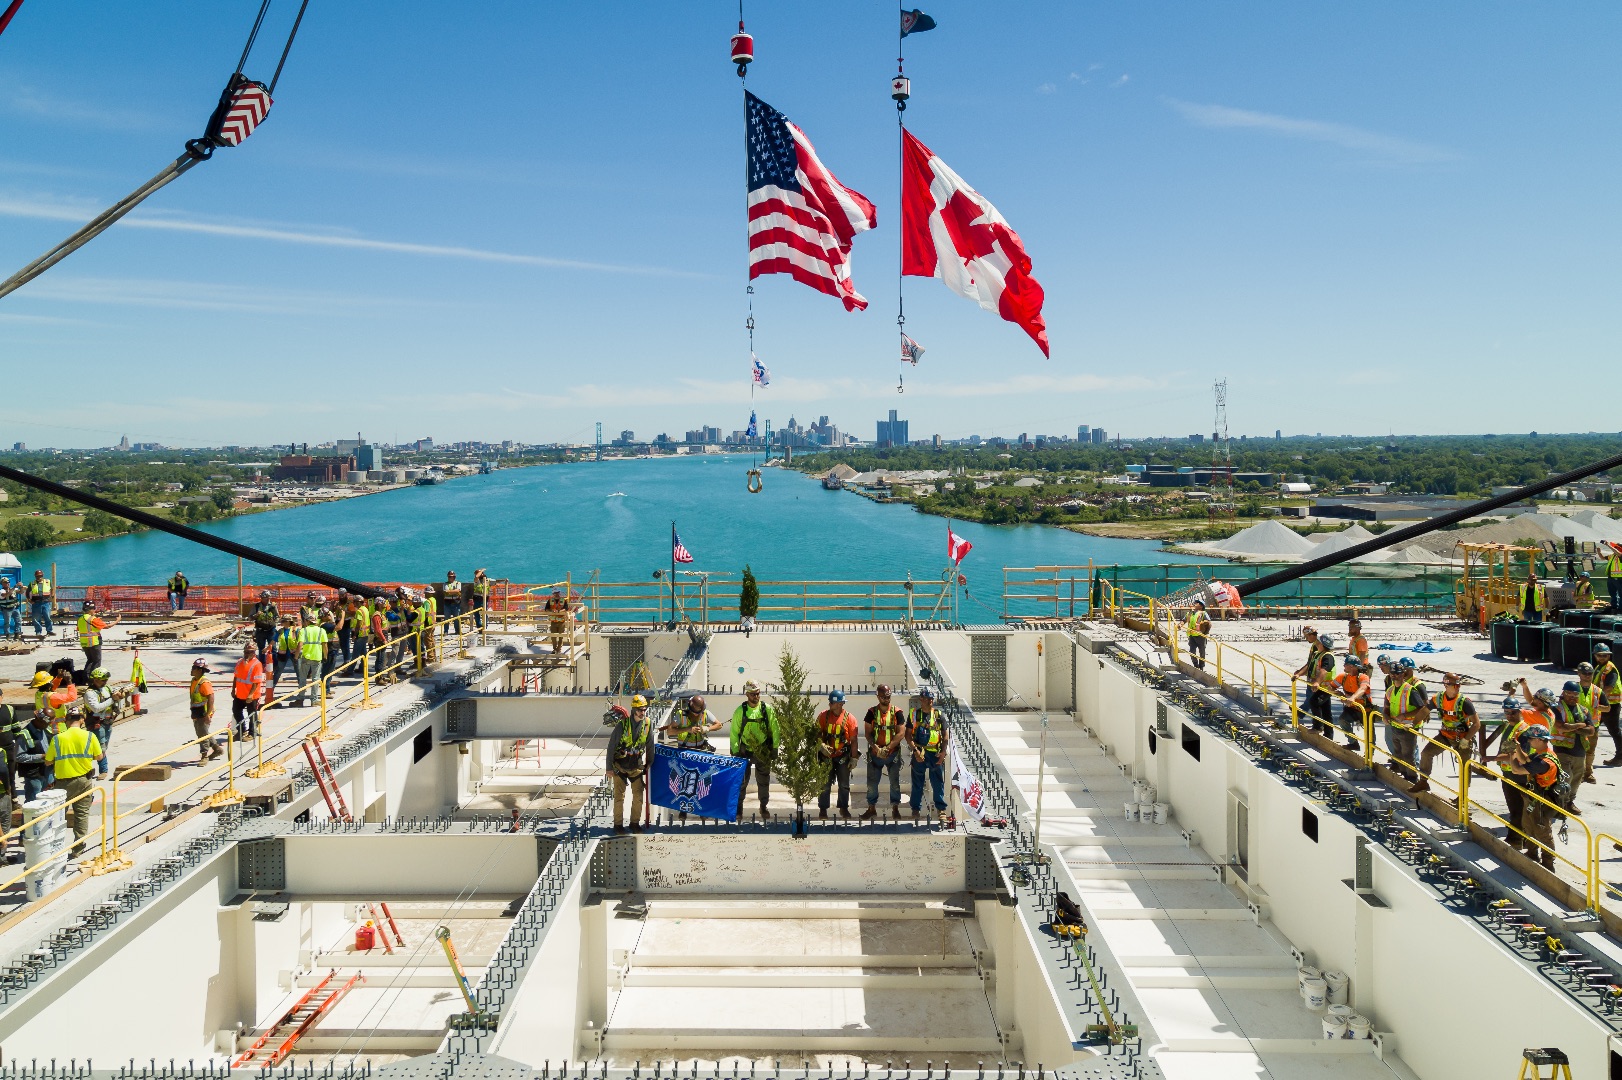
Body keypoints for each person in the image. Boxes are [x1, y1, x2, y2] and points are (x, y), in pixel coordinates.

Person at [1503, 723, 1565, 870]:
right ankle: (1532, 853)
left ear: (1540, 740)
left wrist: (1511, 754)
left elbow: (1517, 770)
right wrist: (1517, 747)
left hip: (1543, 799)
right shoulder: (1541, 754)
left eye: (1531, 739)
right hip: (1534, 797)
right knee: (1528, 825)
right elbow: (1525, 760)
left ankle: (1548, 862)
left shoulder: (1544, 761)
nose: (1529, 741)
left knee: (1542, 830)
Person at [45, 707, 100, 859]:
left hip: (63, 784)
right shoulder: (89, 736)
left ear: (67, 721)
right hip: (84, 781)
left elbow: (48, 761)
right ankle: (78, 848)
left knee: (59, 816)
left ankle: (56, 848)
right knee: (81, 815)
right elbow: (99, 756)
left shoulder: (58, 738)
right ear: (82, 720)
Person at [1412, 672, 1478, 794]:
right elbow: (1424, 711)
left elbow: (1476, 724)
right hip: (1445, 735)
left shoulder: (1464, 702)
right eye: (1455, 685)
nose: (1457, 688)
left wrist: (1467, 739)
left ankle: (1463, 797)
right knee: (1426, 753)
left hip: (1461, 738)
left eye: (1458, 685)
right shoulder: (1438, 698)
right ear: (1446, 685)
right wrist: (1413, 723)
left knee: (1464, 766)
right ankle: (1423, 782)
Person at [729, 679, 780, 819]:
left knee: (763, 781)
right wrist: (735, 751)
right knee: (742, 781)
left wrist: (775, 748)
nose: (756, 697)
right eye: (753, 694)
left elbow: (775, 729)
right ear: (747, 694)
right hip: (745, 751)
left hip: (762, 751)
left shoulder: (766, 709)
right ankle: (739, 808)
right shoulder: (741, 711)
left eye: (757, 693)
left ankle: (763, 807)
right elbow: (734, 733)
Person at [1546, 680, 1594, 812]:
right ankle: (1560, 803)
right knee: (1565, 777)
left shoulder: (1583, 710)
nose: (1572, 697)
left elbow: (1591, 730)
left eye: (1575, 695)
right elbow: (1561, 727)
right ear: (1563, 693)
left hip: (1579, 750)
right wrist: (1580, 725)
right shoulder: (1556, 708)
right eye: (1569, 694)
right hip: (1562, 749)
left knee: (1577, 778)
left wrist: (1573, 728)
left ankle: (1569, 802)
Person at [607, 696, 653, 833]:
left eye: (644, 709)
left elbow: (650, 745)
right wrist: (609, 768)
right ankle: (618, 825)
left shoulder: (647, 724)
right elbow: (611, 746)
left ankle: (634, 823)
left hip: (636, 766)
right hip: (620, 766)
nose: (642, 712)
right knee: (619, 797)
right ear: (634, 710)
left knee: (638, 796)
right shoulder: (623, 725)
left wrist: (649, 764)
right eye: (640, 710)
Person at [860, 684, 906, 820]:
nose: (887, 699)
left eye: (888, 696)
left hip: (892, 754)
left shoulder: (897, 712)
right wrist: (876, 748)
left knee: (894, 782)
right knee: (872, 784)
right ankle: (871, 808)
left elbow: (901, 732)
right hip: (875, 754)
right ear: (878, 697)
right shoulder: (872, 712)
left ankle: (895, 808)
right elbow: (868, 733)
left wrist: (888, 748)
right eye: (884, 697)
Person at [907, 686, 949, 822]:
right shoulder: (914, 715)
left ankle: (941, 809)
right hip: (919, 753)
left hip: (935, 754)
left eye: (931, 699)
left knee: (937, 783)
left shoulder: (938, 715)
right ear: (921, 699)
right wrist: (915, 751)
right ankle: (915, 809)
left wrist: (943, 752)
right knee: (917, 782)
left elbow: (945, 735)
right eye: (927, 698)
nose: (930, 701)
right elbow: (908, 735)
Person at [816, 690, 859, 820]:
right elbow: (817, 734)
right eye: (830, 702)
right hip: (826, 757)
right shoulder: (823, 716)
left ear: (840, 704)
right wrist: (821, 745)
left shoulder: (850, 719)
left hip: (842, 757)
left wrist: (853, 758)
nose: (830, 704)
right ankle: (823, 809)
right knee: (824, 784)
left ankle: (843, 808)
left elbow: (854, 741)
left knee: (844, 784)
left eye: (833, 702)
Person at [1383, 659, 1427, 781]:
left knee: (1408, 756)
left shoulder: (1410, 690)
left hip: (1408, 728)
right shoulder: (1390, 690)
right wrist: (1385, 716)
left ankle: (1412, 778)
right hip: (1395, 726)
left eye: (1397, 673)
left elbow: (1422, 708)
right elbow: (1386, 707)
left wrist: (1405, 715)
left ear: (1403, 674)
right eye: (1392, 673)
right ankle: (1404, 776)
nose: (1394, 676)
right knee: (1398, 755)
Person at [80, 667, 120, 779]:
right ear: (95, 679)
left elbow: (113, 697)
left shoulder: (106, 688)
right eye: (103, 680)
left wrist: (118, 696)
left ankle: (95, 769)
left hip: (107, 722)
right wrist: (112, 699)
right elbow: (96, 708)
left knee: (103, 747)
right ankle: (102, 770)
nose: (105, 682)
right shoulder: (90, 694)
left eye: (106, 680)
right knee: (99, 748)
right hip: (96, 724)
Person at [14, 708, 52, 804]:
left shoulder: (47, 730)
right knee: (33, 804)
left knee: (48, 802)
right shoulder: (24, 735)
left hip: (47, 772)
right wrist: (41, 757)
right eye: (47, 723)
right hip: (34, 775)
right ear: (39, 721)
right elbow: (18, 757)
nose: (49, 725)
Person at [190, 659, 223, 762]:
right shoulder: (194, 680)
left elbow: (211, 698)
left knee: (202, 735)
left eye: (194, 668)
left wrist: (208, 714)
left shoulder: (204, 683)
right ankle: (217, 749)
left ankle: (204, 756)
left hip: (204, 712)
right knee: (203, 732)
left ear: (200, 670)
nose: (192, 670)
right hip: (197, 711)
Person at [1334, 656, 1371, 751]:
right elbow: (1331, 686)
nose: (1344, 666)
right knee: (1342, 720)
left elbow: (1363, 688)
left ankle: (1369, 755)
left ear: (1351, 666)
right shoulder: (1342, 677)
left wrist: (1353, 698)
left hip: (1365, 710)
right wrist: (1340, 695)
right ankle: (1353, 743)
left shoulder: (1363, 677)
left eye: (1345, 664)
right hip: (1351, 709)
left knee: (1370, 735)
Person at [294, 610, 329, 708]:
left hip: (306, 657)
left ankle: (300, 699)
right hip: (317, 657)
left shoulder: (303, 630)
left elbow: (300, 644)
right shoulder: (321, 630)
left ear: (308, 621)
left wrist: (296, 657)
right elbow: (325, 645)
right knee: (316, 679)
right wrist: (325, 656)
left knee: (303, 679)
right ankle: (314, 700)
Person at [231, 642, 265, 741]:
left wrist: (250, 695)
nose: (247, 654)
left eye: (250, 652)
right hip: (240, 694)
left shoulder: (257, 664)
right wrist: (233, 689)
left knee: (252, 714)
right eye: (246, 652)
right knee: (236, 710)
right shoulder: (239, 662)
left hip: (252, 696)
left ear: (254, 653)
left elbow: (256, 682)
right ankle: (241, 730)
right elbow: (236, 677)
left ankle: (252, 733)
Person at [1595, 643, 1622, 767]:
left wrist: (1595, 702)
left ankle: (1620, 757)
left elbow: (1608, 688)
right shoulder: (1600, 667)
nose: (1601, 657)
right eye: (1599, 655)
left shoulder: (1609, 669)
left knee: (1614, 731)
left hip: (1610, 706)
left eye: (1604, 655)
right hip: (1602, 705)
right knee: (1592, 728)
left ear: (1609, 656)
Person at [1576, 662, 1603, 783]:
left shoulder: (1597, 690)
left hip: (1593, 726)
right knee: (1579, 751)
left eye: (1590, 673)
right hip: (1578, 726)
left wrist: (1598, 706)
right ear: (1579, 674)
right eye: (1585, 673)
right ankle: (1580, 774)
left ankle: (1588, 773)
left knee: (1590, 751)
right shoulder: (1573, 688)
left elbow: (1608, 708)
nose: (1587, 676)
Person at [75, 600, 117, 674]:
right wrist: (117, 620)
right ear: (91, 609)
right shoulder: (92, 619)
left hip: (84, 643)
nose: (95, 610)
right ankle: (93, 679)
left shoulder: (80, 619)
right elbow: (107, 626)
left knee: (90, 660)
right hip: (94, 642)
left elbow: (79, 629)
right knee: (97, 661)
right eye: (94, 609)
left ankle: (86, 678)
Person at [1306, 652, 1337, 738]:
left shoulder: (1328, 656)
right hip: (1322, 687)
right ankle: (1329, 734)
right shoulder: (1319, 654)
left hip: (1326, 688)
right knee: (1326, 711)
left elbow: (1324, 670)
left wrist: (1317, 682)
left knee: (1313, 702)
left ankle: (1318, 726)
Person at [270, 616, 299, 696]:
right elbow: (274, 640)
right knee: (278, 671)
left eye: (283, 621)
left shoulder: (295, 630)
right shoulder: (280, 631)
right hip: (283, 654)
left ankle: (301, 688)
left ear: (288, 622)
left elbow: (300, 641)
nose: (282, 622)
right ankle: (271, 688)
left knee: (299, 671)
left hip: (294, 654)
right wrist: (267, 648)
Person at [251, 591, 280, 665]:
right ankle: (261, 664)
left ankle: (275, 665)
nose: (267, 599)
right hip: (260, 630)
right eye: (266, 598)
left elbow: (277, 616)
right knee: (261, 649)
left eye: (268, 598)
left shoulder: (273, 606)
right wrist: (256, 615)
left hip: (271, 630)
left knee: (273, 648)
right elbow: (250, 617)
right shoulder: (257, 606)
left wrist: (274, 622)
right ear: (262, 598)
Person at [1185, 600, 1211, 670]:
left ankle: (1201, 666)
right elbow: (1184, 620)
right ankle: (1196, 665)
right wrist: (1179, 625)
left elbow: (1209, 623)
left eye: (1197, 603)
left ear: (1201, 606)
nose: (1194, 604)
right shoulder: (1190, 613)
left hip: (1200, 636)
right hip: (1191, 635)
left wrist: (1205, 632)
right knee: (1192, 651)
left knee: (1202, 652)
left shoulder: (1203, 613)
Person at [27, 568, 53, 638]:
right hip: (36, 603)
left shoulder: (47, 582)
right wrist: (30, 601)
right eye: (37, 576)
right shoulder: (32, 584)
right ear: (35, 576)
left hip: (46, 602)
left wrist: (51, 597)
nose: (39, 577)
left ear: (43, 575)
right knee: (36, 618)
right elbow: (27, 593)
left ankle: (49, 630)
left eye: (40, 576)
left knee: (47, 617)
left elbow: (52, 589)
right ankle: (38, 632)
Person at [545, 588, 569, 657]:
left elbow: (566, 608)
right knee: (553, 636)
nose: (556, 594)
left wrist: (559, 611)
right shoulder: (550, 601)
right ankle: (555, 649)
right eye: (555, 593)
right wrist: (551, 611)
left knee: (561, 636)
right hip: (553, 621)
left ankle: (559, 649)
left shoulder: (563, 601)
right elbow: (546, 609)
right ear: (553, 594)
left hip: (561, 621)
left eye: (557, 593)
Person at [129, 648, 149, 715]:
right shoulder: (136, 668)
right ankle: (136, 709)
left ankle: (136, 708)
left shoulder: (136, 667)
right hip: (136, 682)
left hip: (136, 681)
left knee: (136, 693)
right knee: (135, 693)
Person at [1606, 542, 1622, 612]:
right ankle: (1614, 606)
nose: (1615, 549)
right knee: (1612, 593)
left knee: (1621, 594)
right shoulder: (1612, 556)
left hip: (1619, 578)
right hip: (1611, 577)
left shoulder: (1620, 555)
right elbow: (1603, 557)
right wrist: (1598, 552)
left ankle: (1620, 608)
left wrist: (1608, 545)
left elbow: (1618, 553)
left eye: (1616, 548)